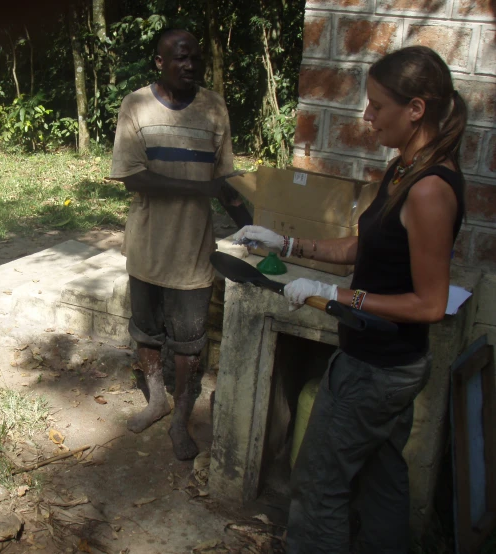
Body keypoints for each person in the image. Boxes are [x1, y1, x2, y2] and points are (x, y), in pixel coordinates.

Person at [235, 46, 466, 552]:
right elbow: (369, 245)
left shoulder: (430, 190)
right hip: (381, 363)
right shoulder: (405, 170)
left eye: (377, 106)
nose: (367, 117)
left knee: (318, 486)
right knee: (384, 480)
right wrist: (291, 245)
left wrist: (334, 293)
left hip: (378, 370)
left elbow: (429, 304)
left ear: (416, 109)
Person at [110, 29, 252, 461]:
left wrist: (254, 228)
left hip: (194, 249)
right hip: (148, 244)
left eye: (195, 59)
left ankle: (180, 419)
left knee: (190, 341)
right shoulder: (135, 105)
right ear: (159, 62)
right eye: (179, 58)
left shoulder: (214, 107)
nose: (189, 65)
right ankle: (156, 400)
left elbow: (223, 180)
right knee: (147, 331)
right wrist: (201, 190)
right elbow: (132, 176)